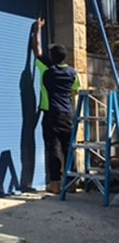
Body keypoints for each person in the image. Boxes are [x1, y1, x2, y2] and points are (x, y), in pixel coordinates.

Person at [32, 18, 80, 194]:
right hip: (67, 114)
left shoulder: (46, 69)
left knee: (53, 147)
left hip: (51, 115)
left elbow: (37, 50)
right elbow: (76, 90)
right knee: (68, 148)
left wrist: (38, 29)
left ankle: (55, 183)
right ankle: (72, 183)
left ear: (52, 57)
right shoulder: (73, 73)